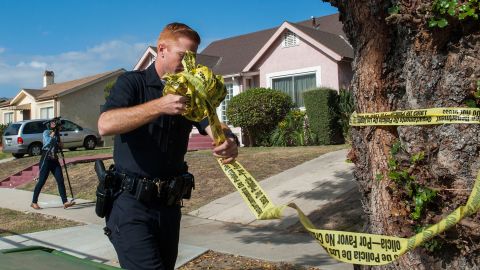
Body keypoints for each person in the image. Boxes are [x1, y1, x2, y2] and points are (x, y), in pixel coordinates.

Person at [97, 22, 239, 270]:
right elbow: (105, 124)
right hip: (130, 206)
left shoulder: (190, 91)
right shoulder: (132, 83)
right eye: (183, 56)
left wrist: (228, 141)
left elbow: (214, 125)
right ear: (161, 49)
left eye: (193, 58)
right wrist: (159, 106)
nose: (188, 64)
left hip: (169, 206)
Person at [31, 119, 75, 210]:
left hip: (54, 160)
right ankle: (34, 202)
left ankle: (65, 202)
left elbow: (61, 146)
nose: (58, 126)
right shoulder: (46, 132)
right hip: (46, 159)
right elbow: (47, 143)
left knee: (60, 180)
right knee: (41, 181)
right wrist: (53, 134)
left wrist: (59, 140)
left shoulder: (57, 134)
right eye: (55, 124)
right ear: (51, 125)